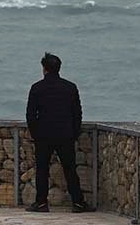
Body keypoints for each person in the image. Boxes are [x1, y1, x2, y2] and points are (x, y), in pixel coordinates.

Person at [25, 52, 95, 213]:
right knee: (70, 169)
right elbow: (77, 114)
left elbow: (30, 115)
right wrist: (74, 132)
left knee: (42, 169)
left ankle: (41, 203)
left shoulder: (37, 88)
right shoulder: (70, 87)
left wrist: (36, 133)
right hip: (65, 135)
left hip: (43, 135)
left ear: (44, 69)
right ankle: (78, 203)